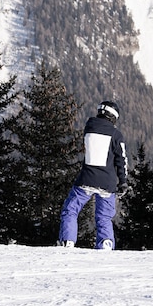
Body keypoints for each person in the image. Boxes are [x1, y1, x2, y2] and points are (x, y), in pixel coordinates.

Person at [58, 101, 128, 249]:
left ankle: (67, 241)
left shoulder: (89, 128)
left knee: (70, 210)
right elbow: (121, 160)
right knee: (104, 217)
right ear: (114, 117)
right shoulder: (116, 135)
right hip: (107, 183)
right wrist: (123, 182)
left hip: (86, 179)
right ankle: (106, 244)